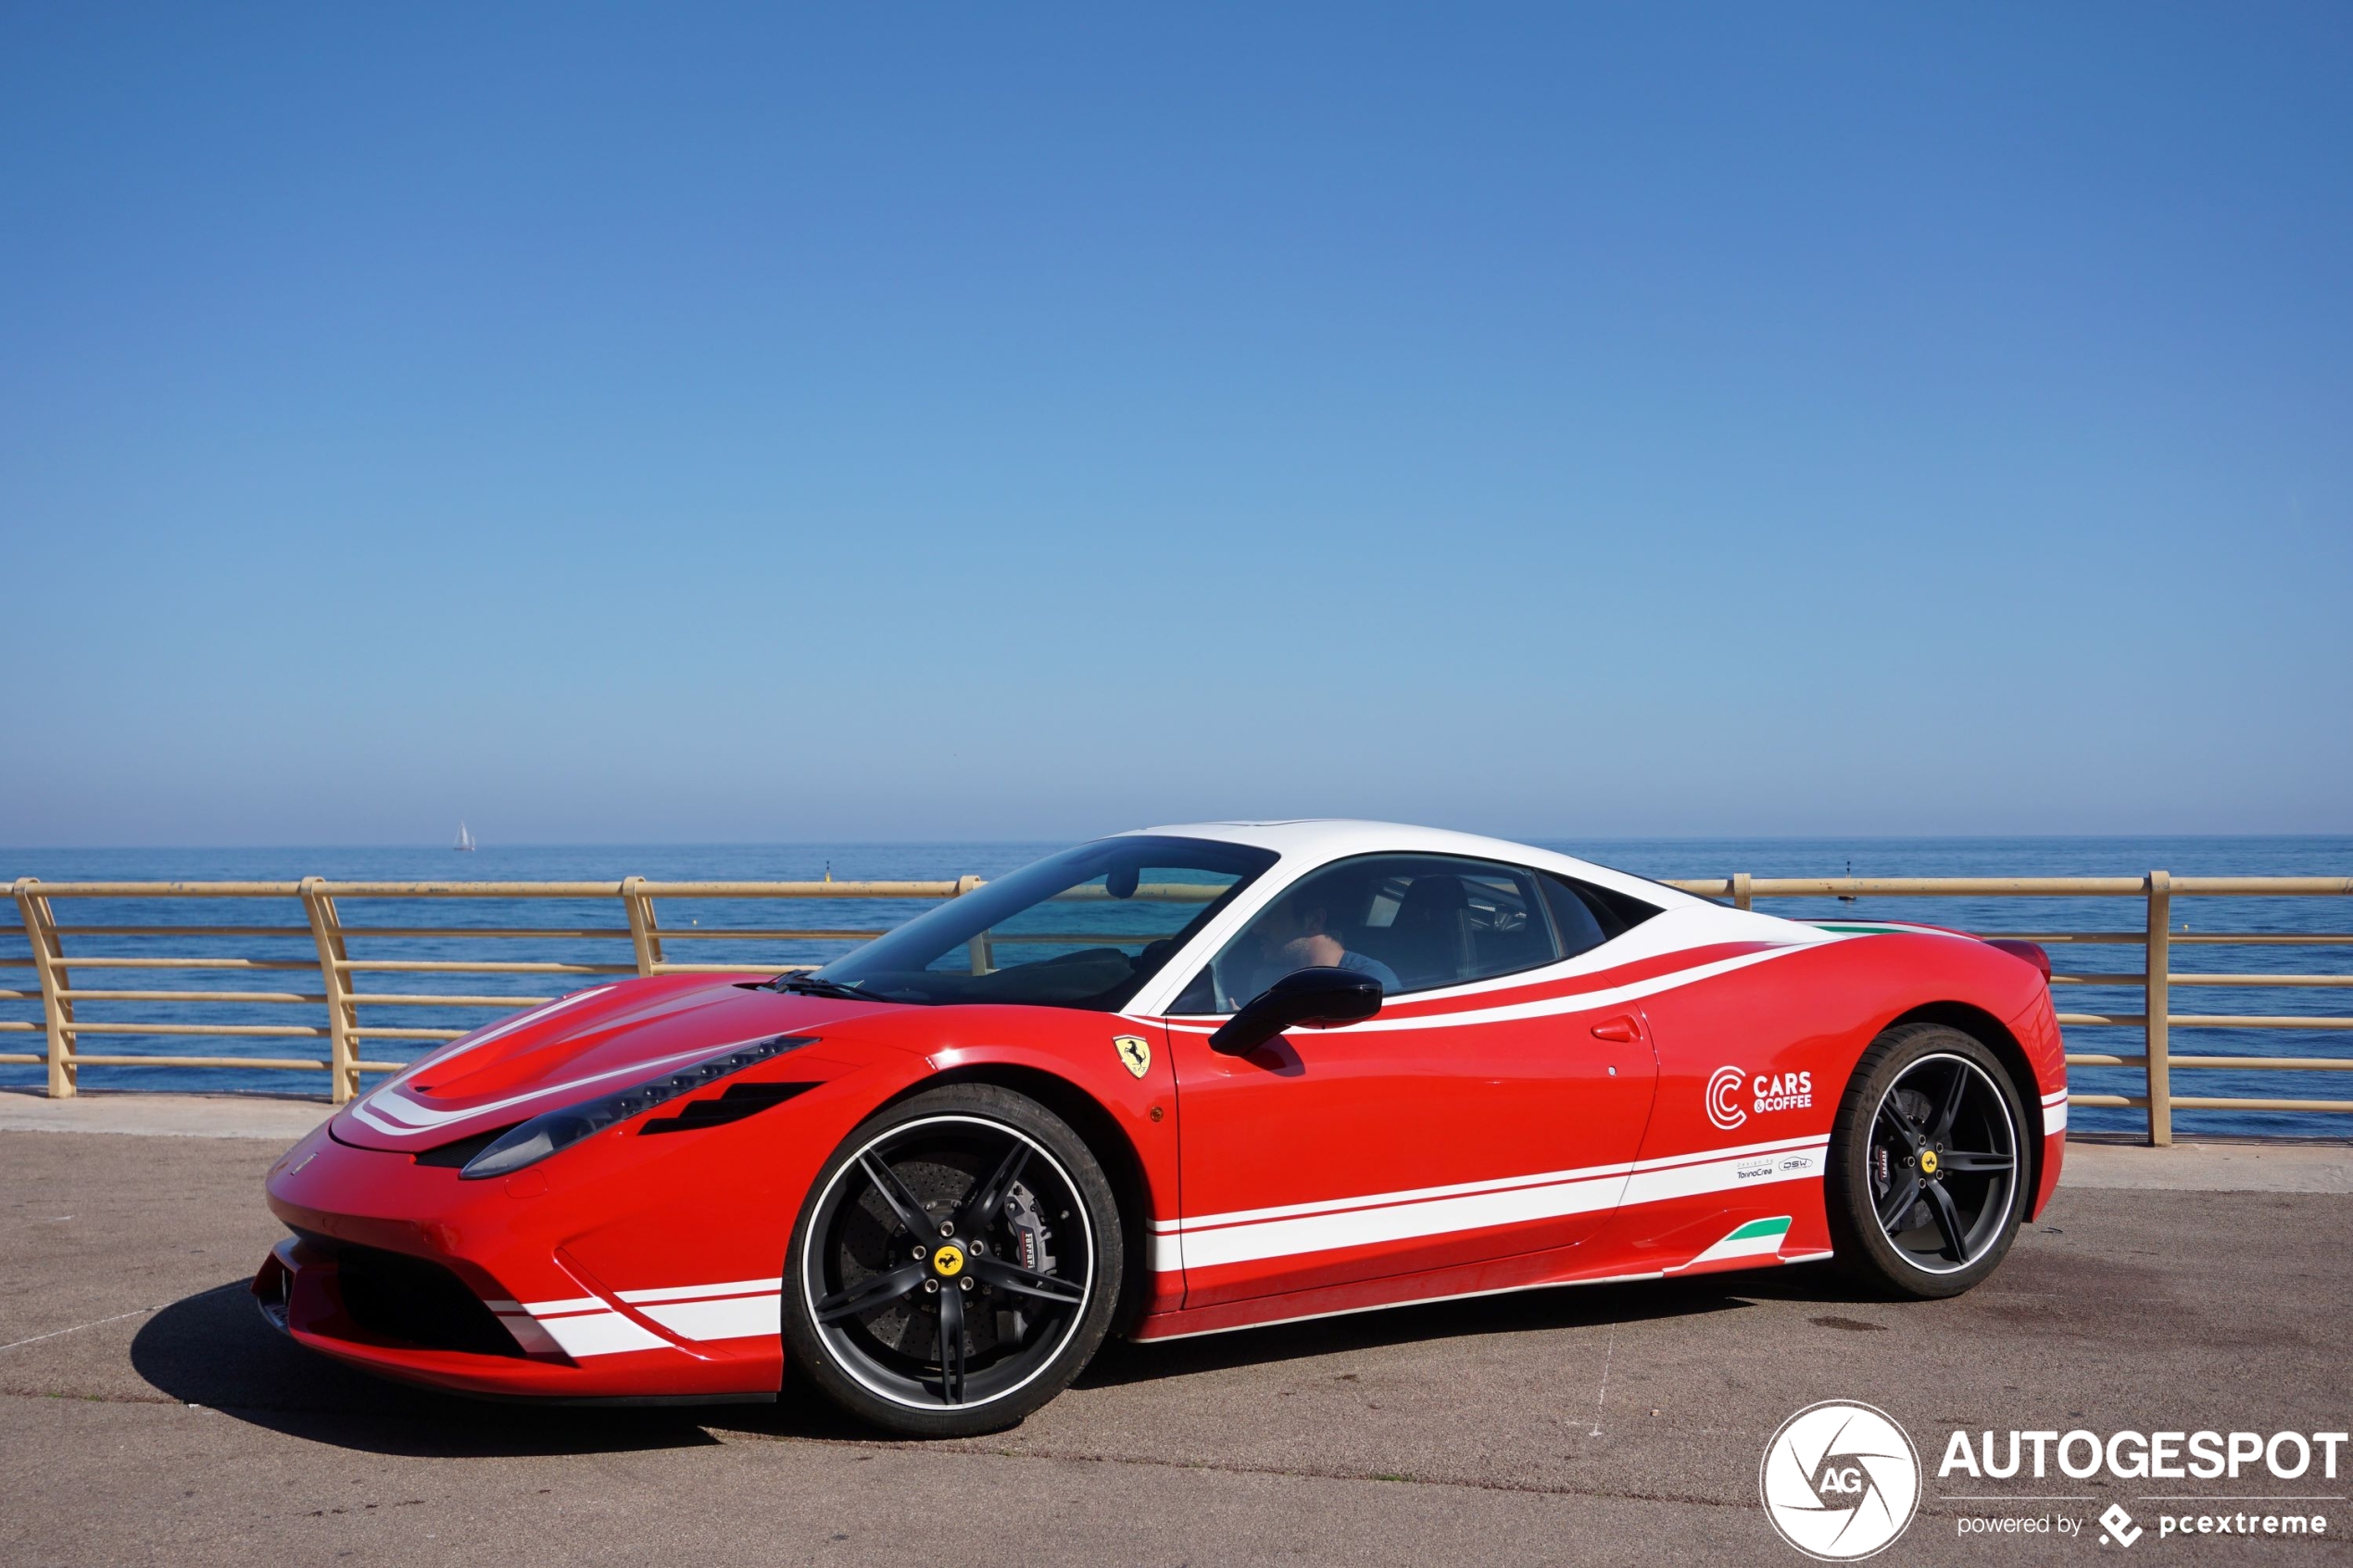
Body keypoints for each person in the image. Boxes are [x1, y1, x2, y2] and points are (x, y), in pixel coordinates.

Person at [1237, 887, 1401, 1001]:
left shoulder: (1372, 982)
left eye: (1271, 915)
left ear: (1314, 920)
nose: (1256, 929)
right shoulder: (1267, 979)